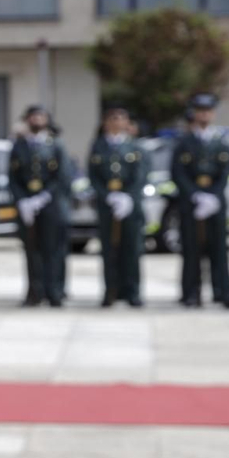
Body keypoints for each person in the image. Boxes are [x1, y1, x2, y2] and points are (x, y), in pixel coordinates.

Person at [172, 92, 229, 309]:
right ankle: (191, 292)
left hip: (215, 202)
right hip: (192, 203)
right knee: (191, 250)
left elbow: (226, 170)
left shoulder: (221, 141)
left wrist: (214, 195)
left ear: (213, 113)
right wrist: (195, 195)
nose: (204, 115)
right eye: (200, 111)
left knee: (219, 249)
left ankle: (223, 293)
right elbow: (178, 172)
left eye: (208, 111)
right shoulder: (185, 141)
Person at [9, 104, 70, 308]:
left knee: (53, 250)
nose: (36, 120)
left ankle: (55, 292)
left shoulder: (56, 145)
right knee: (31, 249)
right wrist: (23, 199)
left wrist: (43, 196)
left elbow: (62, 176)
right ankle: (34, 291)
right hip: (27, 205)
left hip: (51, 205)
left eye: (40, 116)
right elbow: (13, 177)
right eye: (32, 117)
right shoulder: (19, 145)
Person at [89, 103, 146, 308]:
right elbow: (93, 176)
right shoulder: (98, 146)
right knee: (108, 250)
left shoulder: (135, 146)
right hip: (108, 205)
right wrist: (107, 196)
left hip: (130, 205)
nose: (116, 122)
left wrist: (127, 197)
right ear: (105, 123)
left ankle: (133, 292)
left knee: (132, 249)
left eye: (120, 118)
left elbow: (140, 175)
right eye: (112, 118)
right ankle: (110, 291)